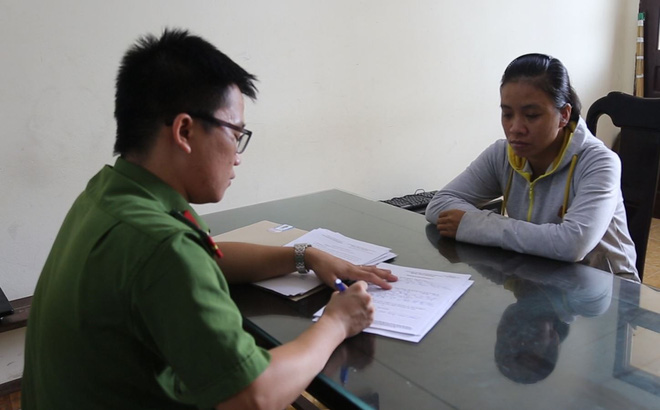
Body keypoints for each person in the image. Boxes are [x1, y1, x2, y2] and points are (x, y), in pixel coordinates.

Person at [22, 28, 397, 410]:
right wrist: (337, 323)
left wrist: (305, 255)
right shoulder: (164, 246)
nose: (238, 156)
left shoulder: (109, 195)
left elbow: (206, 258)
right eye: (236, 134)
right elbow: (253, 396)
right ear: (184, 131)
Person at [426, 53, 638, 281]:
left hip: (607, 290)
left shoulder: (599, 162)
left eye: (531, 115)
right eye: (507, 114)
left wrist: (472, 225)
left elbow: (573, 244)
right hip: (537, 277)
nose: (515, 128)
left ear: (564, 115)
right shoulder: (502, 154)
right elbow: (439, 204)